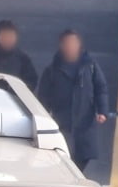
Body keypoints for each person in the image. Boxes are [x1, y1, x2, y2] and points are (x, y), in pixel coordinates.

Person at [36, 29, 110, 174]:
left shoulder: (90, 66)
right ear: (62, 46)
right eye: (67, 43)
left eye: (74, 43)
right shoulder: (52, 70)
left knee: (83, 155)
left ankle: (75, 177)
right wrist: (44, 115)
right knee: (64, 155)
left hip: (85, 120)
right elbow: (43, 96)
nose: (71, 47)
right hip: (62, 121)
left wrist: (102, 110)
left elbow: (100, 88)